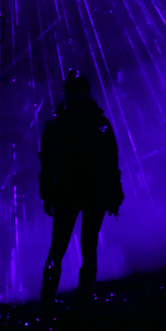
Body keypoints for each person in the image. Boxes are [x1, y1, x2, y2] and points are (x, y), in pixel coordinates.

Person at [39, 73, 123, 303]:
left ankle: (47, 299)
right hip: (93, 190)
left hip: (67, 191)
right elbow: (111, 160)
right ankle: (84, 298)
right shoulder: (99, 123)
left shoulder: (56, 125)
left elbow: (47, 162)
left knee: (58, 247)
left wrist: (47, 193)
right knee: (88, 246)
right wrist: (114, 192)